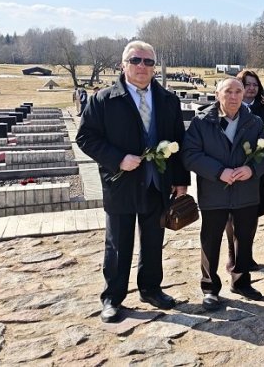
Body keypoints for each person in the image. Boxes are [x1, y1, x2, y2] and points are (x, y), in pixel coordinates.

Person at [76, 41, 189, 323]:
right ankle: (113, 297)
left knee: (153, 240)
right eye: (136, 60)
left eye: (148, 62)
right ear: (123, 64)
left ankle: (150, 288)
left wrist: (180, 179)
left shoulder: (167, 100)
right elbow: (85, 137)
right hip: (122, 183)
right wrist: (117, 158)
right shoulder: (104, 99)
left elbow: (178, 141)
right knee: (118, 244)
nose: (142, 66)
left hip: (156, 183)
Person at [182, 78, 264, 309]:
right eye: (228, 91)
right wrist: (218, 171)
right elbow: (190, 154)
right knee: (211, 240)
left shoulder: (255, 122)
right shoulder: (202, 122)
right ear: (217, 94)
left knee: (244, 238)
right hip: (214, 192)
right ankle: (210, 287)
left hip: (246, 192)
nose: (233, 96)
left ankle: (241, 281)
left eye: (238, 91)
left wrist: (251, 169)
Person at [226, 69, 264, 271]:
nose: (252, 88)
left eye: (255, 84)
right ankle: (231, 254)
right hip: (231, 171)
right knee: (231, 216)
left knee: (252, 215)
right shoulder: (228, 108)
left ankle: (246, 254)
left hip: (255, 172)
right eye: (248, 84)